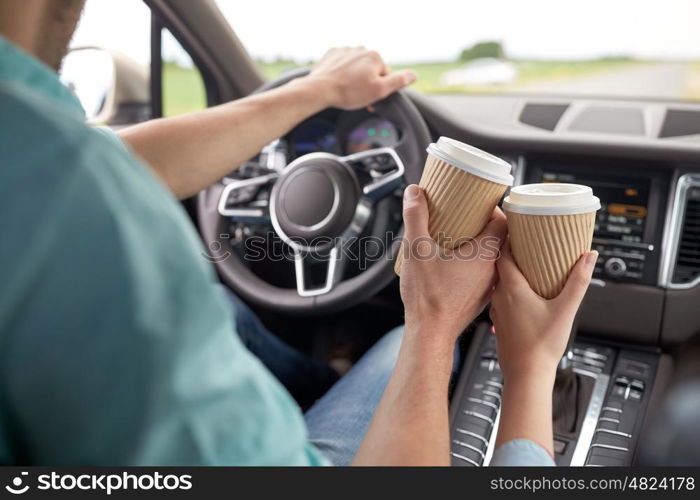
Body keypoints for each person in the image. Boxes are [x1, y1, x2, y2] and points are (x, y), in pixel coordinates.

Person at [0, 0, 595, 466]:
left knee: (219, 304)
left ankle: (329, 378)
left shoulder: (37, 156)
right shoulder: (68, 192)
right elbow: (91, 168)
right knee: (396, 349)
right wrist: (463, 333)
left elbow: (121, 157)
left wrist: (319, 91)